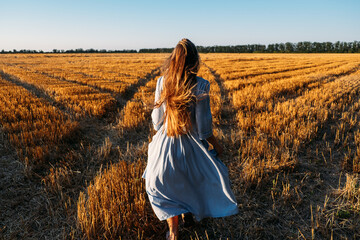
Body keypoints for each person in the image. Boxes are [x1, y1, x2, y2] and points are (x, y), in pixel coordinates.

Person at [142, 38, 238, 240]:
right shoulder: (201, 85)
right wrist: (217, 146)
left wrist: (163, 137)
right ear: (196, 61)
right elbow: (204, 128)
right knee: (194, 178)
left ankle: (174, 232)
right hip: (192, 144)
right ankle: (191, 216)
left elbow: (156, 120)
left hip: (166, 141)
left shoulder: (162, 82)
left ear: (173, 60)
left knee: (166, 185)